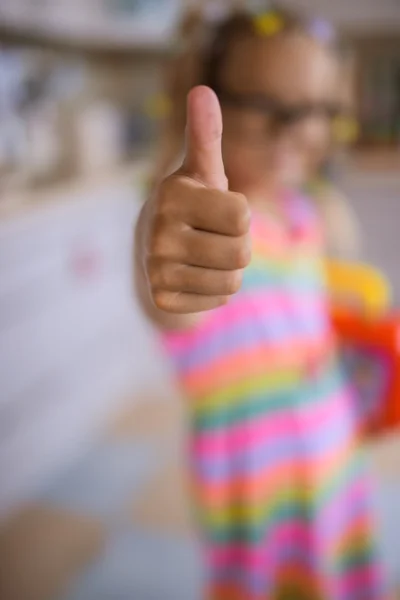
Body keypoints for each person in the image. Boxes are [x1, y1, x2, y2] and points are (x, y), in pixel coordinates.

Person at [135, 5, 388, 599]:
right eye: (266, 105)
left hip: (332, 456)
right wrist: (161, 237)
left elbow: (327, 315)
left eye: (318, 109)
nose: (295, 130)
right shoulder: (208, 228)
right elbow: (171, 290)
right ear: (216, 100)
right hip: (251, 484)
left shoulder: (309, 211)